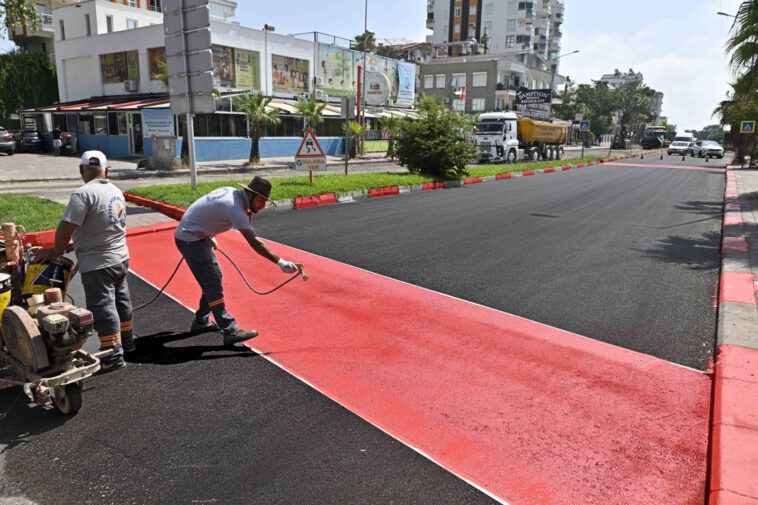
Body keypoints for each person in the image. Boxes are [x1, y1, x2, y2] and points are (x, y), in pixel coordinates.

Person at [33, 151, 134, 371]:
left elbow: (66, 226)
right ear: (106, 170)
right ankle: (127, 341)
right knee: (121, 301)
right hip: (120, 258)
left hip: (99, 263)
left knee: (103, 306)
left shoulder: (83, 193)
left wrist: (56, 251)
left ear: (81, 170)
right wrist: (76, 244)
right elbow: (104, 224)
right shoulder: (115, 191)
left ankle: (113, 354)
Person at [174, 176, 298, 346]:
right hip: (191, 239)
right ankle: (230, 330)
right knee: (213, 283)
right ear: (250, 194)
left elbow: (205, 210)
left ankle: (200, 322)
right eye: (261, 200)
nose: (262, 206)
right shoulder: (235, 207)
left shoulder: (232, 193)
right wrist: (280, 262)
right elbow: (254, 242)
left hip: (196, 235)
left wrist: (206, 233)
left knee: (213, 279)